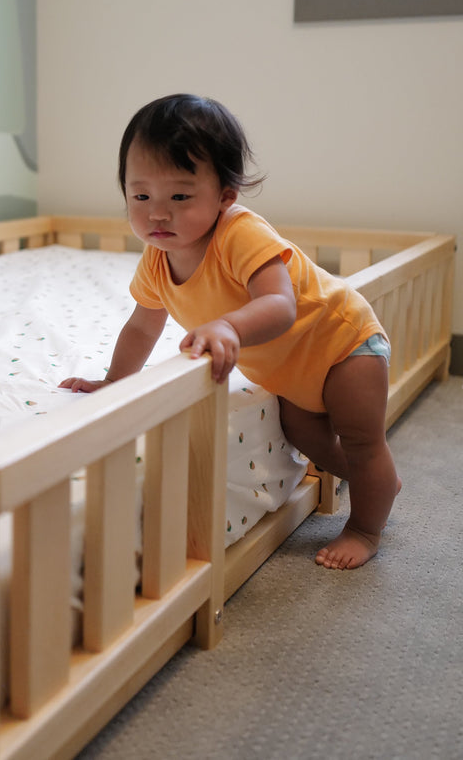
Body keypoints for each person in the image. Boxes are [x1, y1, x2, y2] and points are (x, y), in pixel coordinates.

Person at [60, 93, 399, 569]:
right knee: (313, 443)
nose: (157, 213)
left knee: (363, 444)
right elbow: (141, 325)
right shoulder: (157, 260)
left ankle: (366, 526)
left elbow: (279, 306)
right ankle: (375, 478)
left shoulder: (240, 234)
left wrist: (226, 325)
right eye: (141, 196)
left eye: (179, 196)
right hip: (290, 373)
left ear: (224, 196)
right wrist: (115, 380)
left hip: (343, 344)